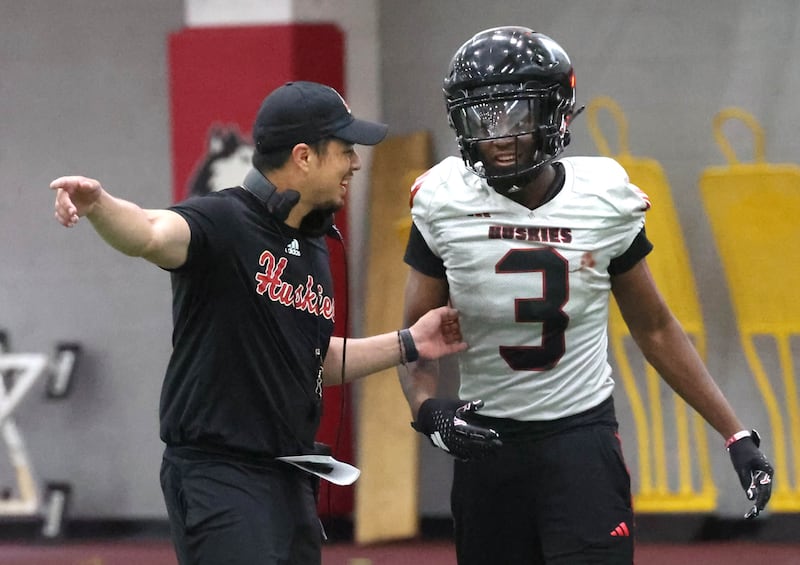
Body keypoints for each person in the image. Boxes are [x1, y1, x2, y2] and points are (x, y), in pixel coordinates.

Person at [399, 27, 774, 564]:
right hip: (486, 444)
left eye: (514, 115)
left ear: (554, 115)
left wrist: (735, 432)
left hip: (579, 439)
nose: (496, 135)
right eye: (481, 117)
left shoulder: (603, 197)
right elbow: (414, 339)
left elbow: (655, 327)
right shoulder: (442, 200)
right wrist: (426, 408)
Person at [51, 80, 467, 565]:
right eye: (345, 150)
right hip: (221, 476)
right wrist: (99, 205)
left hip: (288, 476)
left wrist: (410, 341)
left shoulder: (311, 241)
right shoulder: (223, 220)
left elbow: (312, 359)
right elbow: (147, 231)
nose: (355, 163)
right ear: (303, 156)